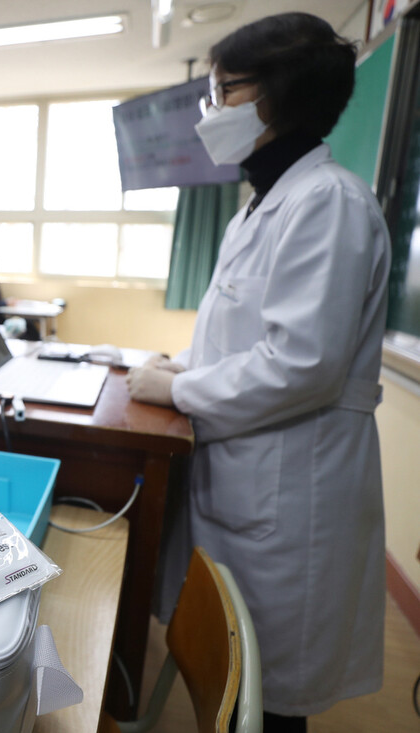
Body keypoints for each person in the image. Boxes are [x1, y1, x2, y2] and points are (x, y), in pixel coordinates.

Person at [125, 14, 390, 732]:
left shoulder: (327, 203)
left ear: (280, 95)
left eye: (224, 89)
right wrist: (180, 366)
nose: (211, 110)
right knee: (239, 676)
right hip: (247, 472)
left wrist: (177, 388)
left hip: (289, 489)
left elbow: (302, 364)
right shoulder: (259, 210)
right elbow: (242, 338)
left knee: (268, 701)